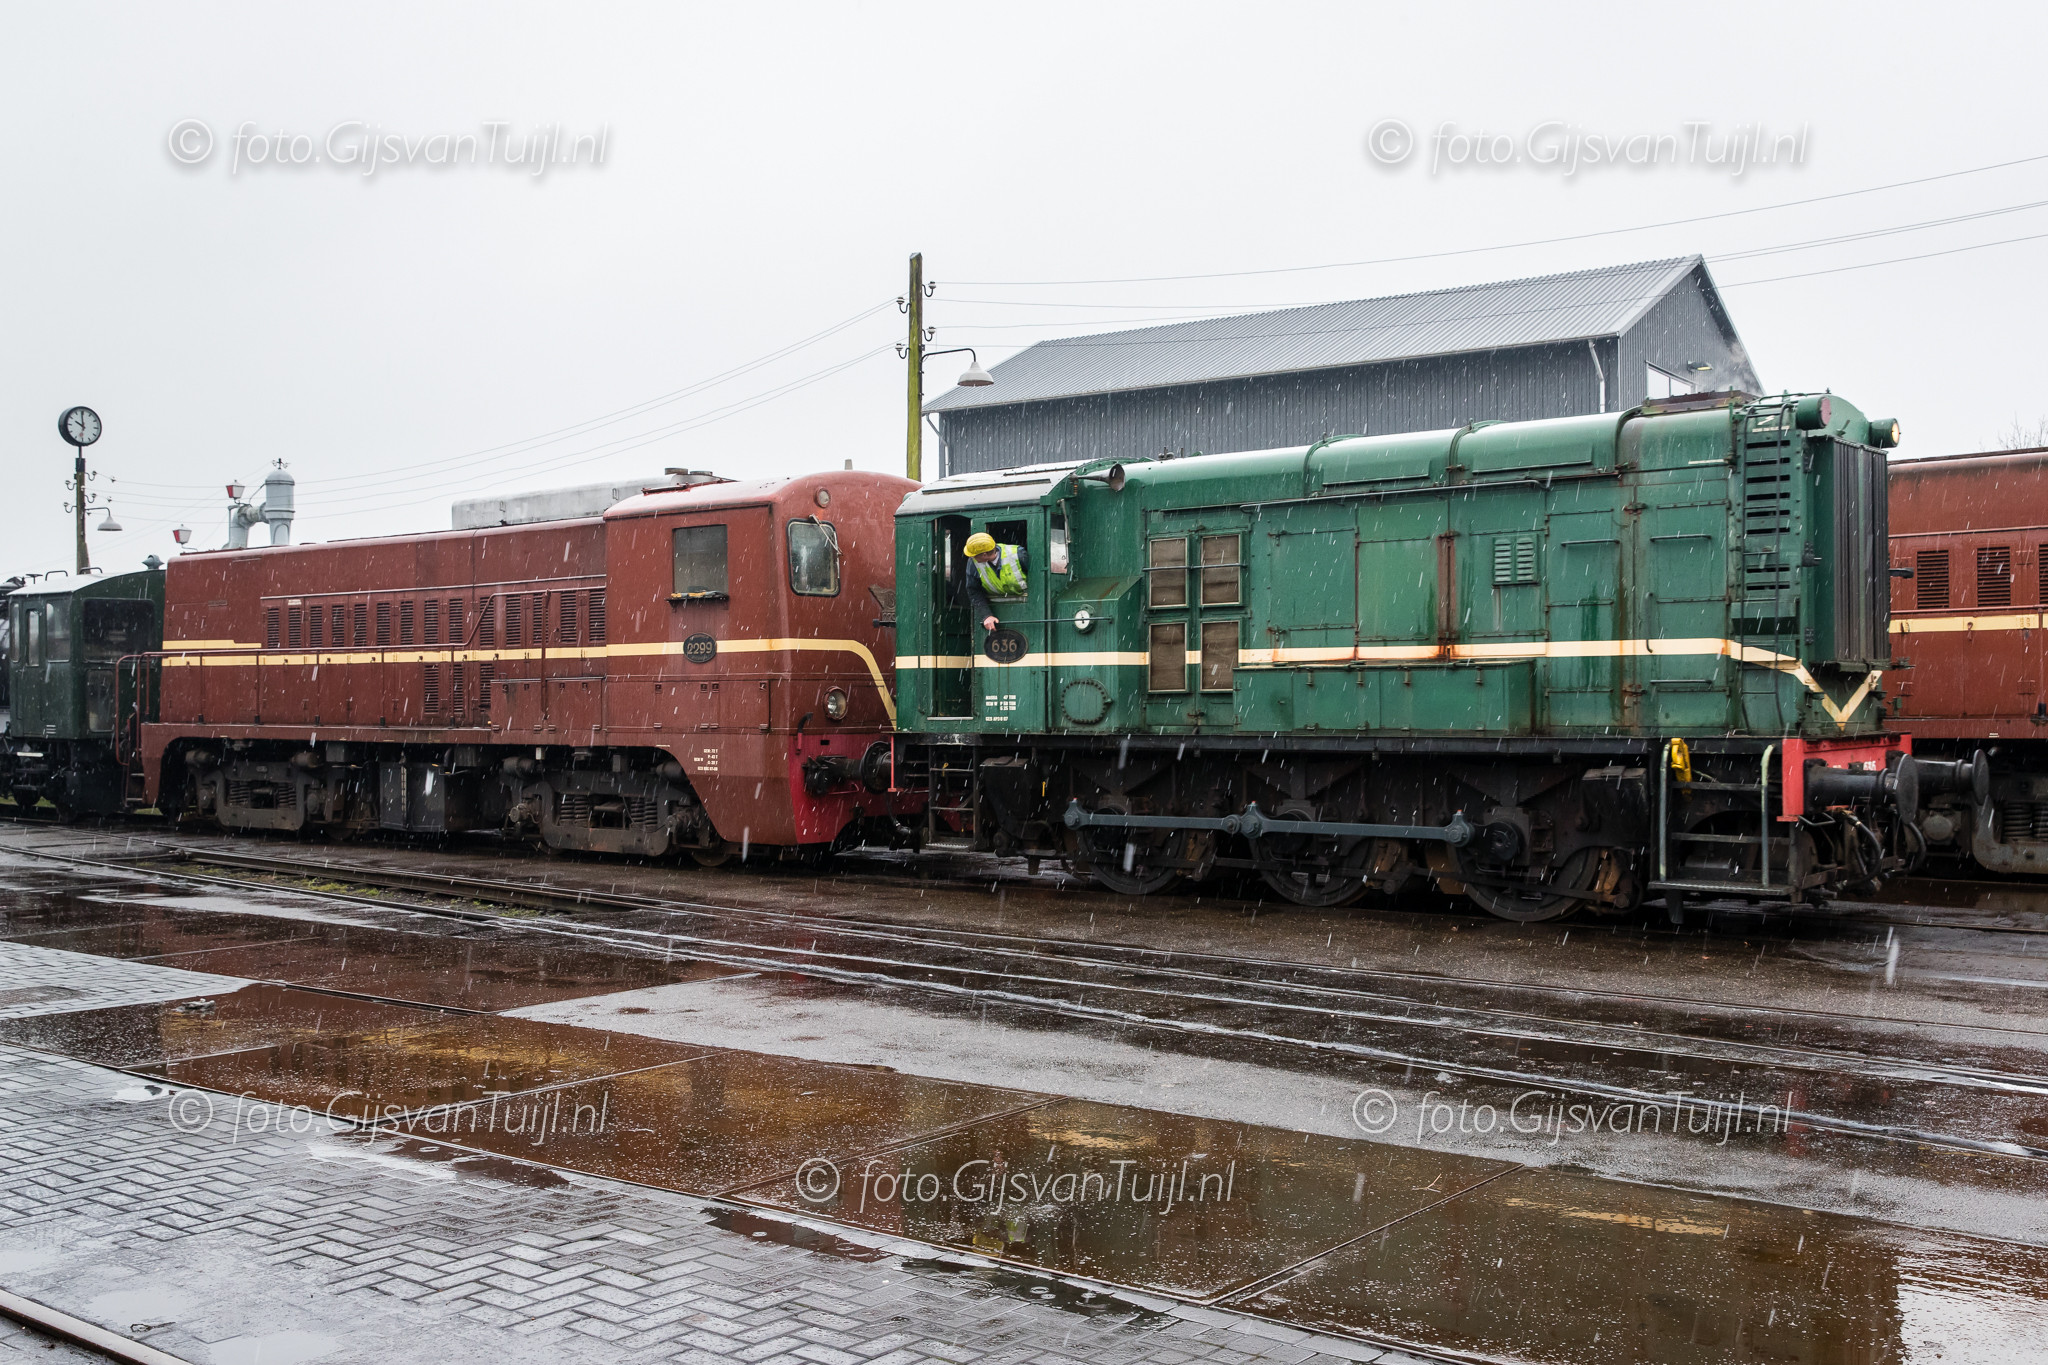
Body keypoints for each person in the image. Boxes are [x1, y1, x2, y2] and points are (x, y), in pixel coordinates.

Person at [963, 530, 1028, 633]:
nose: (971, 557)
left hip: (1028, 608)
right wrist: (986, 615)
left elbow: (1037, 579)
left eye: (974, 555)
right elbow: (973, 591)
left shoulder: (1018, 554)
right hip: (997, 611)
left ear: (984, 555)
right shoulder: (973, 563)